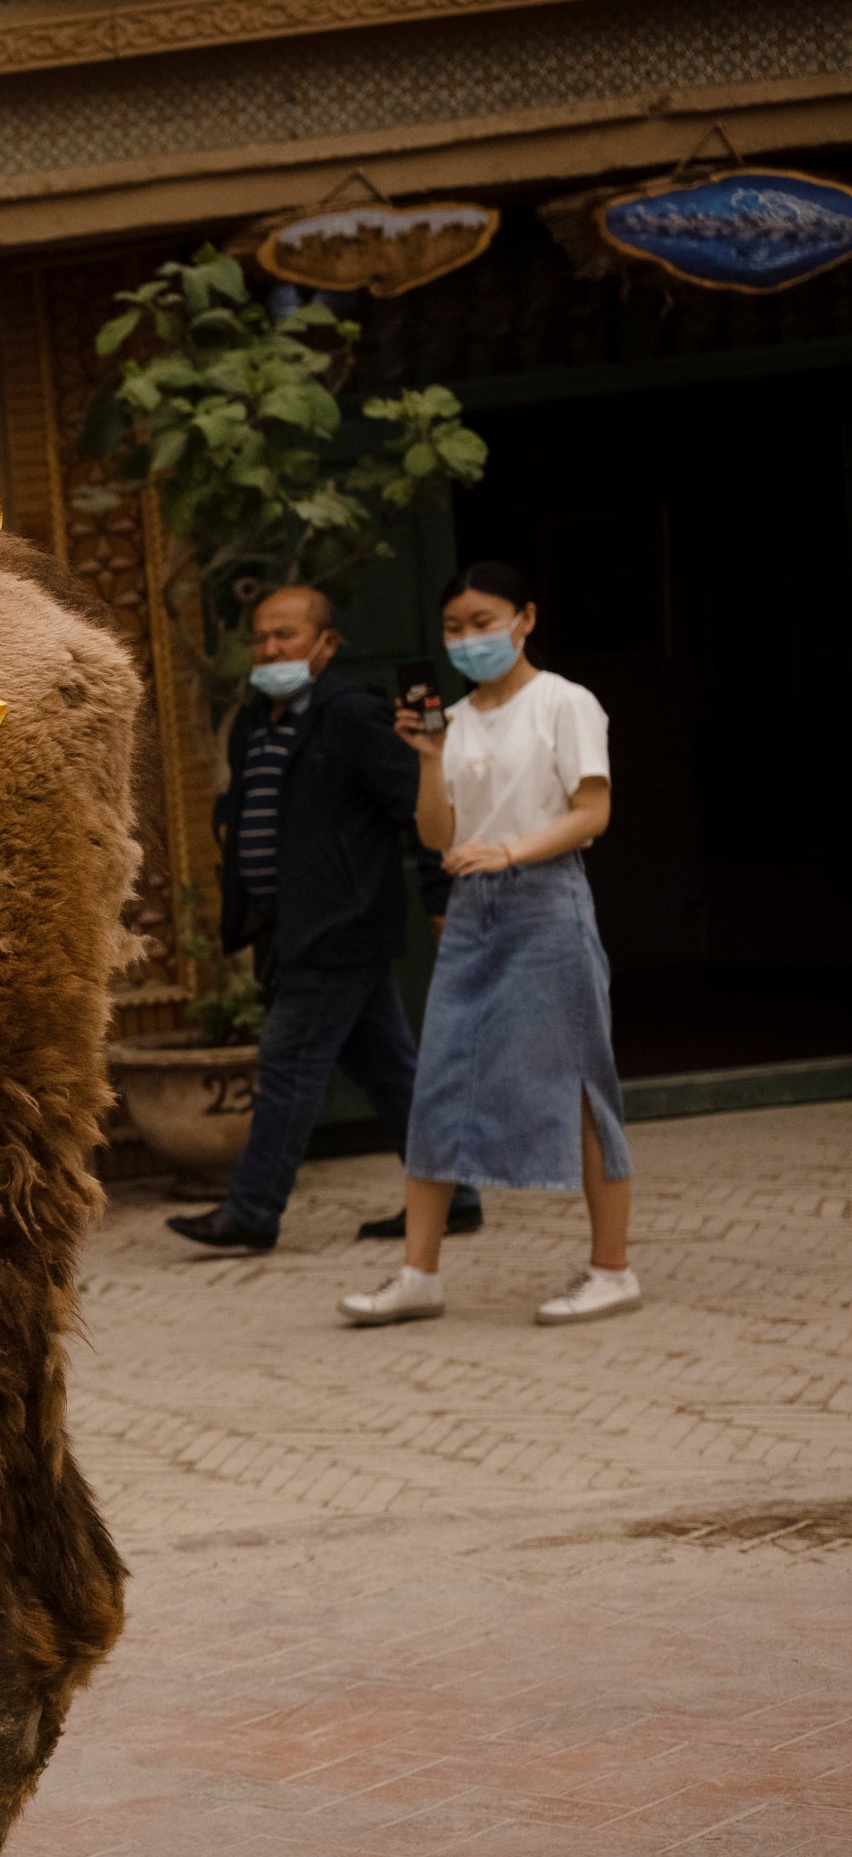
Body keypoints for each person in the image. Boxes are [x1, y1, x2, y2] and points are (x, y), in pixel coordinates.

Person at [343, 561, 636, 1328]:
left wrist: (511, 850)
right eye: (453, 628)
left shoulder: (565, 703)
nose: (468, 639)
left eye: (483, 622)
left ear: (525, 619)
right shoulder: (454, 722)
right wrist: (431, 759)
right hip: (473, 912)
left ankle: (612, 1269)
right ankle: (419, 1274)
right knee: (438, 1082)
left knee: (580, 1082)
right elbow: (437, 837)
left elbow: (592, 812)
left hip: (548, 903)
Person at [167, 584, 477, 1253]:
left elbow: (422, 804)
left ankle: (251, 1210)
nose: (270, 649)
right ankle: (456, 1196)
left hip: (340, 923)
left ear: (327, 644)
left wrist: (439, 897)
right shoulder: (259, 718)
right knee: (391, 1069)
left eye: (286, 636)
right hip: (293, 925)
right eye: (261, 638)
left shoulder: (354, 716)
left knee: (286, 1066)